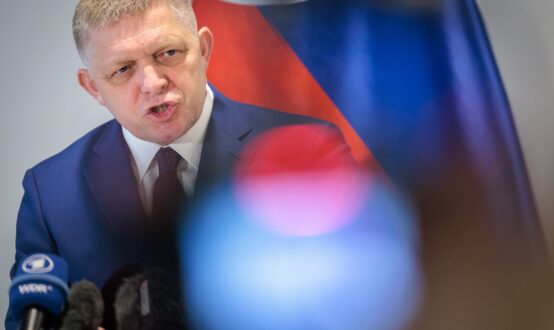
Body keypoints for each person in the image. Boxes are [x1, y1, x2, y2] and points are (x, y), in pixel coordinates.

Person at [6, 0, 351, 328]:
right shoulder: (50, 193)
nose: (153, 83)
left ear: (203, 49)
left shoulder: (309, 151)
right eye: (123, 69)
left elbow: (362, 301)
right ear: (93, 87)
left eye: (168, 53)